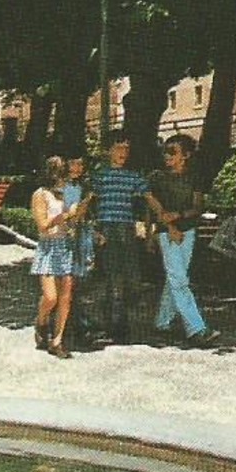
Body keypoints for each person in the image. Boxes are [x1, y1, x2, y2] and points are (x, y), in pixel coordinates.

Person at [148, 135, 219, 347]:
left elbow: (197, 208)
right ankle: (196, 328)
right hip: (166, 233)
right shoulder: (157, 177)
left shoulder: (194, 177)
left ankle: (162, 321)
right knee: (179, 279)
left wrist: (178, 215)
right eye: (166, 152)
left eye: (173, 152)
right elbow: (152, 209)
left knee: (176, 278)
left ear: (186, 155)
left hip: (187, 232)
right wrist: (159, 230)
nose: (167, 156)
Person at [89, 132, 151, 344]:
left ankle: (121, 319)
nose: (123, 152)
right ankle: (115, 326)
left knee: (132, 279)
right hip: (107, 229)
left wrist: (149, 228)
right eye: (118, 148)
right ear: (108, 151)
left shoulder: (134, 177)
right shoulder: (100, 176)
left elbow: (147, 202)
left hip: (126, 229)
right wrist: (94, 231)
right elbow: (88, 204)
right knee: (113, 276)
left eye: (126, 148)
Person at [31, 156, 79, 359]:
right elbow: (42, 225)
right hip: (49, 246)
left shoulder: (71, 192)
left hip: (67, 245)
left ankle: (57, 340)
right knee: (51, 297)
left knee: (66, 296)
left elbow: (77, 219)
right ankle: (41, 321)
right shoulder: (41, 194)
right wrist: (65, 216)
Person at [62, 154, 99, 344]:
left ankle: (82, 326)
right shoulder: (60, 187)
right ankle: (64, 324)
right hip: (65, 235)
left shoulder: (86, 188)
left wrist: (95, 232)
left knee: (82, 279)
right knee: (66, 280)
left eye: (80, 165)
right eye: (72, 164)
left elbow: (88, 214)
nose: (76, 169)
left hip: (82, 234)